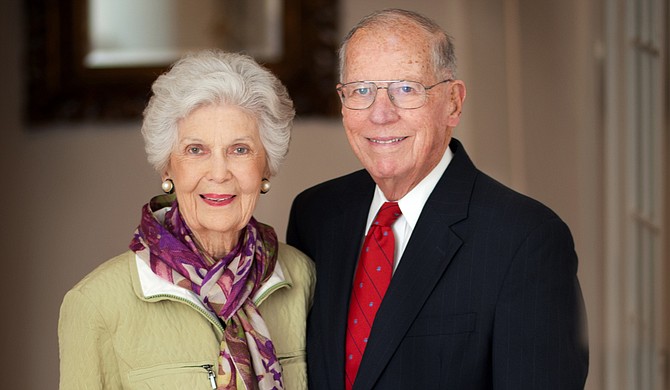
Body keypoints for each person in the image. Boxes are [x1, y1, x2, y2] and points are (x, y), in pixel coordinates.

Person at [287, 8, 588, 390]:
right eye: (361, 90)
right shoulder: (316, 215)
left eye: (406, 89)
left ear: (453, 103)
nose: (380, 114)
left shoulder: (526, 239)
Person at [58, 50, 315, 389]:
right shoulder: (96, 303)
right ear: (168, 166)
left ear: (266, 166)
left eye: (240, 149)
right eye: (196, 150)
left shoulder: (301, 279)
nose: (219, 173)